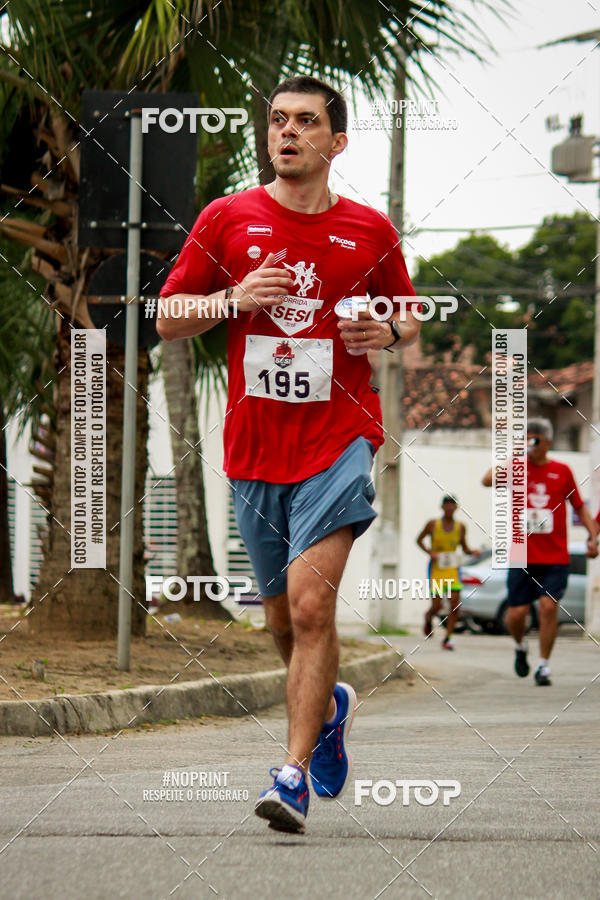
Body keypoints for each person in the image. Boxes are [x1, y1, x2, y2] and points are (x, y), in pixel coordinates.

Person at [157, 75, 421, 833]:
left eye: (306, 121)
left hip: (338, 439)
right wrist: (230, 302)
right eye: (277, 120)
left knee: (311, 608)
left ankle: (292, 774)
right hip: (254, 448)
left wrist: (388, 332)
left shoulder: (370, 232)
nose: (288, 132)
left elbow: (407, 316)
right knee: (281, 619)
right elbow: (170, 317)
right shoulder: (227, 218)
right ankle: (331, 706)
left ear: (336, 142)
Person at [482, 417, 598, 685]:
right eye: (528, 438)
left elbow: (579, 506)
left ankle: (544, 666)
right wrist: (515, 454)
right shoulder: (517, 468)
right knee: (516, 615)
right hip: (522, 555)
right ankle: (521, 647)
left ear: (548, 442)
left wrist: (594, 537)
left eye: (536, 439)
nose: (532, 444)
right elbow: (487, 480)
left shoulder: (563, 471)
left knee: (548, 607)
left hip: (555, 556)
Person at [416, 495, 480, 650]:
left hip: (452, 569)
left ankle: (448, 638)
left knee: (454, 604)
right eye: (447, 505)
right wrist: (429, 551)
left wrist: (473, 552)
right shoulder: (433, 524)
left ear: (456, 507)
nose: (450, 508)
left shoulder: (461, 527)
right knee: (437, 606)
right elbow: (419, 540)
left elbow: (464, 547)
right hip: (437, 569)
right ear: (442, 507)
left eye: (453, 505)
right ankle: (429, 616)